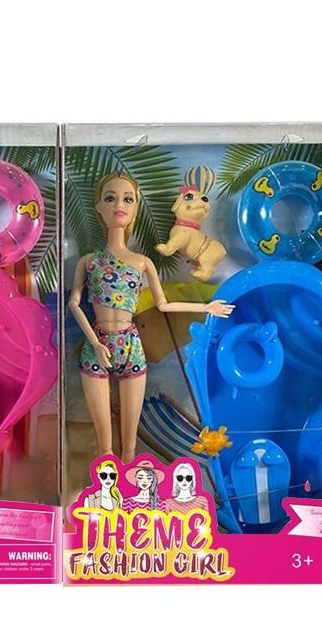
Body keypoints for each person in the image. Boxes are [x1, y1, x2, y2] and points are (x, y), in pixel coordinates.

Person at [69, 173, 234, 462]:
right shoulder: (89, 261)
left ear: (135, 206)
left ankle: (131, 484)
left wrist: (205, 308)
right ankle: (105, 487)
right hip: (97, 345)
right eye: (110, 198)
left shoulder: (142, 263)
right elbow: (74, 304)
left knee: (130, 448)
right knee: (104, 446)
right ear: (99, 208)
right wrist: (94, 342)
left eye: (127, 199)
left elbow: (163, 305)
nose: (119, 205)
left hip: (131, 346)